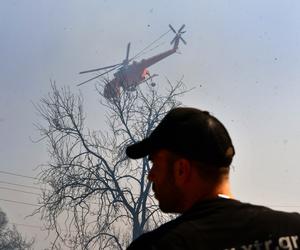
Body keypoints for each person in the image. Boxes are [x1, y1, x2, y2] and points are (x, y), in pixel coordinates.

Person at [125, 107, 300, 250]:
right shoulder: (293, 230)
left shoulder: (158, 246)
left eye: (155, 163)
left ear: (181, 170)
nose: (150, 175)